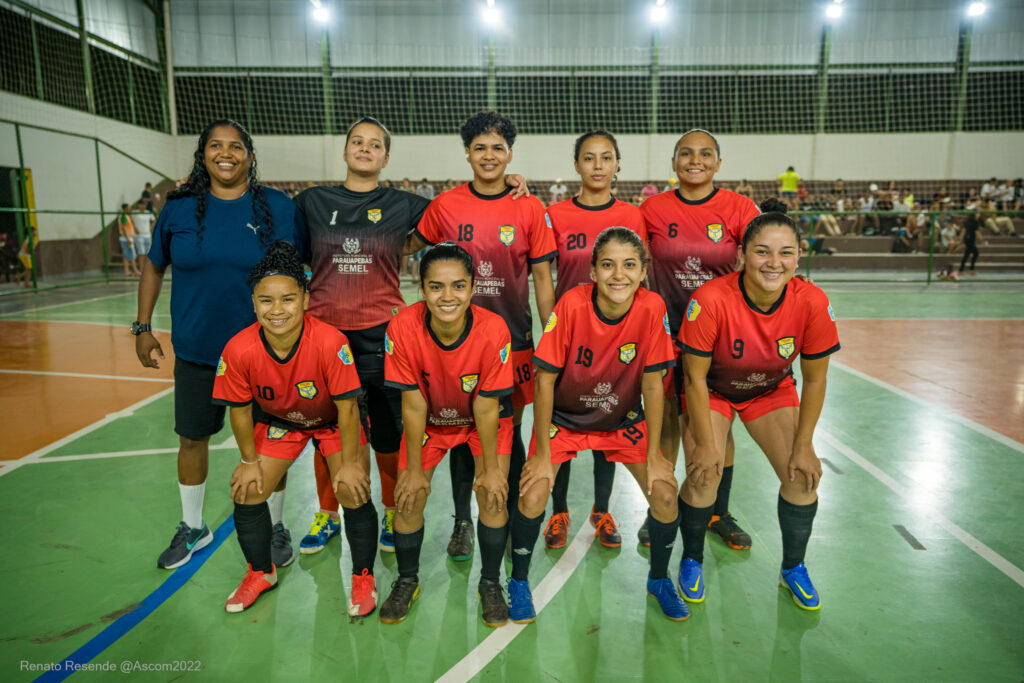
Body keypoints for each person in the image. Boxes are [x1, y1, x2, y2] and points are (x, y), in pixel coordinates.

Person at [294, 117, 529, 556]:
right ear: (344, 150)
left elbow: (465, 208)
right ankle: (326, 512)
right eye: (357, 142)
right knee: (328, 428)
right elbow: (296, 257)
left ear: (386, 157)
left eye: (376, 144)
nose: (365, 149)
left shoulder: (408, 204)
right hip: (325, 335)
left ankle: (388, 508)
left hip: (380, 332)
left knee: (387, 432)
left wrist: (509, 183)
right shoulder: (311, 202)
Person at [135, 119, 307, 571]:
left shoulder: (277, 207)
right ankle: (193, 526)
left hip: (266, 352)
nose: (225, 153)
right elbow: (154, 266)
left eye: (235, 146)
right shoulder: (178, 209)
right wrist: (142, 327)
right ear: (203, 153)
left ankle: (274, 525)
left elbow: (300, 271)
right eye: (216, 145)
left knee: (271, 442)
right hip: (196, 351)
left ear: (250, 156)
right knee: (192, 439)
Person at [508, 227, 684, 622]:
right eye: (608, 265)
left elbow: (654, 384)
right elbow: (545, 378)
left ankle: (658, 579)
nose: (618, 274)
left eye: (629, 265)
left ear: (643, 272)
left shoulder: (652, 308)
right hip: (565, 419)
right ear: (592, 270)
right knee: (534, 492)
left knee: (665, 493)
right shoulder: (571, 304)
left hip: (619, 419)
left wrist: (655, 455)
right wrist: (539, 454)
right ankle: (518, 581)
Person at [677, 199, 840, 612]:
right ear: (742, 255)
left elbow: (815, 378)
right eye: (762, 251)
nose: (774, 262)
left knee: (802, 476)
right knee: (703, 473)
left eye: (786, 252)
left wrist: (804, 444)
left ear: (798, 256)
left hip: (769, 389)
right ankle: (692, 558)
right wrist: (708, 444)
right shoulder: (712, 298)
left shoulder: (812, 302)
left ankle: (793, 568)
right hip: (712, 389)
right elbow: (694, 376)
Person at [408, 111, 556, 562]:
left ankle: (504, 513)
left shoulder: (529, 206)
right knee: (456, 431)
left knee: (506, 433)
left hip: (514, 344)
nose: (489, 156)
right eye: (480, 147)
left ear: (510, 153)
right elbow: (406, 246)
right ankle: (461, 522)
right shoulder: (446, 205)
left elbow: (543, 279)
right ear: (467, 153)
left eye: (498, 148)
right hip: (453, 346)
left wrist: (552, 337)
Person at [214, 242, 377, 615]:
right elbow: (239, 411)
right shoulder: (239, 349)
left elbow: (348, 408)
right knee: (247, 488)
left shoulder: (330, 342)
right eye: (266, 301)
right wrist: (249, 460)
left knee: (351, 489)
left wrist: (350, 463)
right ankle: (261, 572)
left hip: (334, 422)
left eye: (288, 299)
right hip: (282, 422)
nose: (277, 310)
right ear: (253, 303)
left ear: (305, 299)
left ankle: (363, 577)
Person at [379, 243, 514, 626]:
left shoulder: (493, 330)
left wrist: (489, 469)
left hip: (479, 421)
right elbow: (413, 404)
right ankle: (407, 580)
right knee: (408, 496)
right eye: (436, 287)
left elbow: (487, 407)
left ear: (473, 288)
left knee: (492, 492)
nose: (447, 296)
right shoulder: (403, 326)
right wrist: (416, 470)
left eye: (458, 286)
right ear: (420, 289)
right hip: (430, 422)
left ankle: (490, 583)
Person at [640, 128, 760, 551]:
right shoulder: (652, 208)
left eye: (705, 154)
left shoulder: (740, 208)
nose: (696, 160)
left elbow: (764, 257)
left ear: (718, 164)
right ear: (673, 163)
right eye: (686, 154)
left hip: (722, 339)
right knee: (667, 421)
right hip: (667, 334)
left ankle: (717, 512)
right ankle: (661, 504)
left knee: (718, 429)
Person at [541, 130, 647, 550]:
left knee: (608, 422)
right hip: (570, 340)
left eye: (606, 158)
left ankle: (602, 509)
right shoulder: (556, 214)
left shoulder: (633, 217)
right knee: (561, 425)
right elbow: (544, 274)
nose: (598, 165)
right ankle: (560, 511)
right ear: (577, 165)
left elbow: (643, 280)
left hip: (619, 343)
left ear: (618, 164)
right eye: (589, 158)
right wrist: (553, 326)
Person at [117, 203, 141, 277]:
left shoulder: (128, 216)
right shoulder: (123, 216)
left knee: (128, 255)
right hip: (126, 239)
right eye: (128, 208)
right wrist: (127, 238)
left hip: (129, 238)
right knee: (129, 254)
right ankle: (133, 271)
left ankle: (129, 271)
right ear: (124, 209)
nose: (130, 210)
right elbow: (124, 227)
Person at [132, 201, 155, 270]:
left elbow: (154, 220)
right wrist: (134, 228)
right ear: (138, 205)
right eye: (141, 205)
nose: (143, 206)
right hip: (139, 236)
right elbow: (130, 220)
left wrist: (151, 228)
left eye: (144, 205)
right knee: (141, 253)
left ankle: (147, 269)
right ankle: (142, 269)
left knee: (148, 253)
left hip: (147, 235)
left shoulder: (148, 212)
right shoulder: (134, 212)